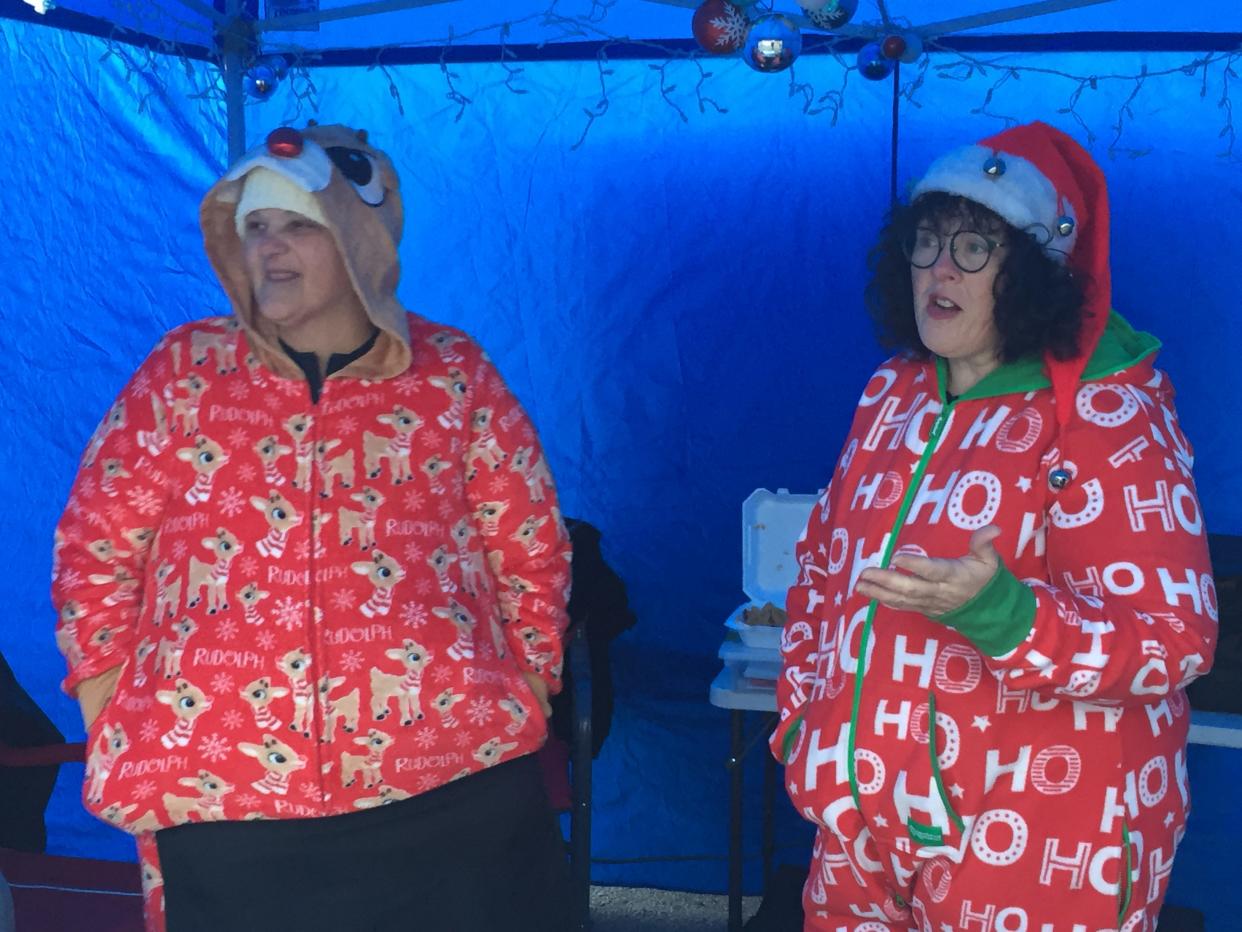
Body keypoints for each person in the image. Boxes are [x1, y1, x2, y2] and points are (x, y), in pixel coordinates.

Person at [52, 123, 573, 932]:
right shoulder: (184, 374)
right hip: (225, 798)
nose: (271, 249)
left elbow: (529, 544)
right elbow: (95, 547)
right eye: (255, 226)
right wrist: (112, 704)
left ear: (362, 237)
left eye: (299, 223)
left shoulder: (453, 374)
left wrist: (527, 685)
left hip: (445, 786)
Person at [771, 121, 1216, 930]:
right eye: (927, 241)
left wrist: (1003, 614)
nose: (940, 268)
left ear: (1034, 273)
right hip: (866, 828)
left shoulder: (1106, 409)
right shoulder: (893, 393)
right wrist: (807, 723)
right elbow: (820, 573)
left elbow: (1174, 637)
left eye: (975, 248)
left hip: (1043, 842)